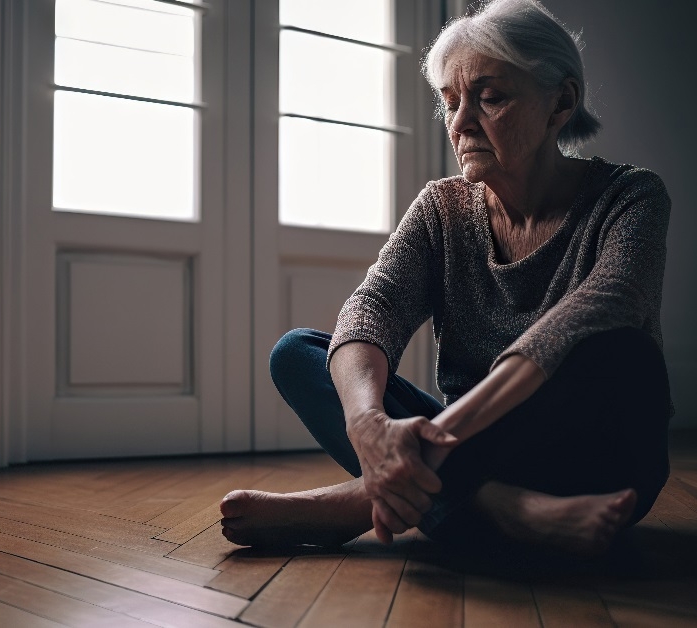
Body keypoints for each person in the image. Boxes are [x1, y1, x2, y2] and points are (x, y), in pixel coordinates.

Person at [221, 0, 673, 557]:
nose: (460, 124)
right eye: (451, 102)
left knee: (618, 351)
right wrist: (367, 425)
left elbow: (603, 305)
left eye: (490, 98)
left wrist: (436, 441)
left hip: (596, 458)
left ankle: (355, 504)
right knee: (299, 353)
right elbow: (373, 308)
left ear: (561, 102)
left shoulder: (630, 196)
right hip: (471, 448)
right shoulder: (442, 207)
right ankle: (510, 510)